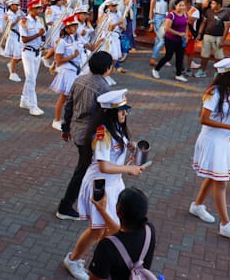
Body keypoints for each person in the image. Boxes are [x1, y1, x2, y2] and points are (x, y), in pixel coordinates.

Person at [63, 90, 143, 280]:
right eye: (121, 110)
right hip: (100, 184)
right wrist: (127, 169)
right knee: (99, 230)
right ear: (110, 112)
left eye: (125, 110)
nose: (125, 113)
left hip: (113, 184)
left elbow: (113, 155)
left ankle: (94, 264)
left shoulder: (115, 127)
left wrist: (129, 146)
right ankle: (79, 262)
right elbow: (103, 165)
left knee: (104, 228)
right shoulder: (103, 134)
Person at [188, 57, 230, 240]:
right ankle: (225, 224)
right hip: (212, 140)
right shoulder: (213, 93)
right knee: (221, 181)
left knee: (214, 176)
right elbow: (203, 119)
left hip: (223, 141)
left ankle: (197, 206)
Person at [57, 51, 113, 221]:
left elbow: (69, 105)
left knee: (88, 167)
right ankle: (66, 206)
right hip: (90, 135)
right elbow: (106, 115)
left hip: (76, 130)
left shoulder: (79, 79)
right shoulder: (103, 87)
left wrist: (65, 128)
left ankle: (91, 199)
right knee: (84, 169)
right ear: (107, 68)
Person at [87, 188, 156, 280]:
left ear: (117, 210)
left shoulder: (107, 246)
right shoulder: (149, 230)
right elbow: (121, 235)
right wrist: (102, 211)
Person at [50, 16, 85, 131]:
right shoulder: (62, 41)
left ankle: (73, 119)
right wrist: (72, 56)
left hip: (76, 71)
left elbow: (91, 46)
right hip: (67, 71)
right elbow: (58, 60)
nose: (74, 29)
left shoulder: (78, 39)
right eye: (72, 27)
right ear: (67, 28)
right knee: (64, 97)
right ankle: (56, 120)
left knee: (76, 97)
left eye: (75, 26)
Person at [152, 0, 189, 82]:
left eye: (183, 5)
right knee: (168, 56)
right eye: (180, 5)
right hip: (171, 39)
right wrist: (179, 33)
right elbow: (167, 28)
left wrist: (186, 36)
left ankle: (178, 74)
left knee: (180, 57)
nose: (182, 7)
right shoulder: (171, 15)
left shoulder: (185, 14)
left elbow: (186, 26)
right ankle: (156, 69)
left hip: (181, 40)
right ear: (175, 6)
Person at [19, 0, 46, 116]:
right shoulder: (24, 21)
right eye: (37, 9)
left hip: (37, 51)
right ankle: (33, 105)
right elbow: (24, 39)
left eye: (40, 8)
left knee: (32, 78)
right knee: (31, 79)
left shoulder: (39, 20)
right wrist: (37, 35)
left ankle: (24, 99)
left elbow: (42, 35)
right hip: (28, 52)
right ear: (31, 9)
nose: (39, 11)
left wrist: (43, 37)